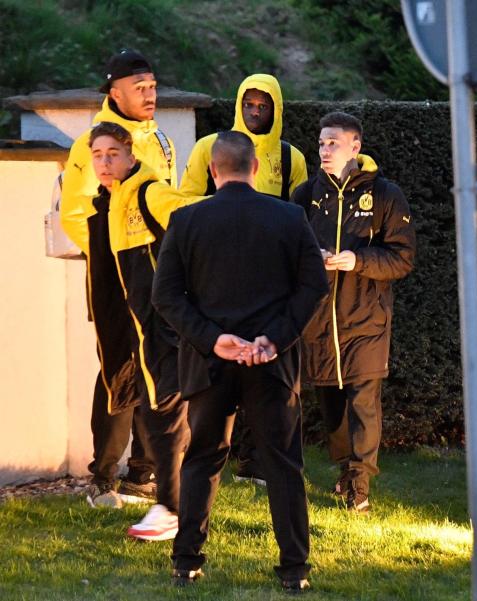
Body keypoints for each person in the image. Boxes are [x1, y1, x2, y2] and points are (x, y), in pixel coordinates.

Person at [153, 131, 327, 591]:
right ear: (254, 169)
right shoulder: (290, 217)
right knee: (282, 463)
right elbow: (313, 286)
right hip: (271, 363)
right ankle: (295, 571)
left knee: (202, 460)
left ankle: (186, 561)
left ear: (213, 171)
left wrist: (214, 340)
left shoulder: (186, 220)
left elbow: (165, 295)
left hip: (210, 364)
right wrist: (274, 338)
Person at [60, 121, 199, 541]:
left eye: (112, 155)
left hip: (162, 325)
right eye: (97, 156)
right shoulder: (109, 201)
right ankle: (168, 503)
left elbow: (191, 219)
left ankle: (173, 508)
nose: (104, 163)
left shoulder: (147, 190)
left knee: (167, 413)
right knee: (147, 405)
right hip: (137, 325)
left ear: (130, 155)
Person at [60, 49, 177, 508]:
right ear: (115, 92)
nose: (150, 95)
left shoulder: (160, 139)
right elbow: (74, 214)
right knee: (117, 369)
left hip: (155, 276)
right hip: (116, 278)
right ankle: (102, 476)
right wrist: (115, 257)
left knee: (156, 368)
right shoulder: (93, 142)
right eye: (139, 88)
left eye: (152, 86)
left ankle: (143, 475)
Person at [180, 73, 309, 484]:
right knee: (219, 370)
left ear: (276, 109)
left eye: (263, 105)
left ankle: (255, 463)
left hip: (271, 279)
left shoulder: (292, 158)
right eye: (249, 104)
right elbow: (185, 203)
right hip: (217, 272)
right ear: (238, 104)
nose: (255, 111)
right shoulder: (209, 148)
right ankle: (211, 460)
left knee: (267, 366)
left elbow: (299, 216)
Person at [291, 111, 415, 514]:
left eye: (333, 143)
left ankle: (361, 485)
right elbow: (289, 253)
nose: (324, 150)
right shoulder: (305, 194)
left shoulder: (384, 194)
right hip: (320, 321)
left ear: (355, 146)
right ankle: (346, 469)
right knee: (332, 405)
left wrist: (355, 260)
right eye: (321, 143)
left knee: (364, 400)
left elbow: (402, 258)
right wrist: (316, 260)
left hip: (366, 319)